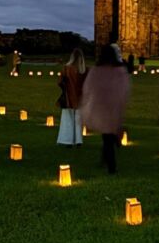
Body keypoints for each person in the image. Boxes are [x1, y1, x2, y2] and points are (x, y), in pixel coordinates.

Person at [80, 45, 130, 173]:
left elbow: (88, 88)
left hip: (102, 107)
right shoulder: (119, 71)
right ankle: (110, 163)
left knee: (107, 136)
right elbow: (124, 89)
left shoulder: (96, 70)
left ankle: (109, 161)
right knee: (108, 136)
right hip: (113, 107)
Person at [56, 48, 88, 147]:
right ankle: (78, 141)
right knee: (78, 120)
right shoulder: (84, 70)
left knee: (67, 119)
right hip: (80, 98)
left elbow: (60, 82)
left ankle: (67, 140)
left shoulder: (67, 68)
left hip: (69, 97)